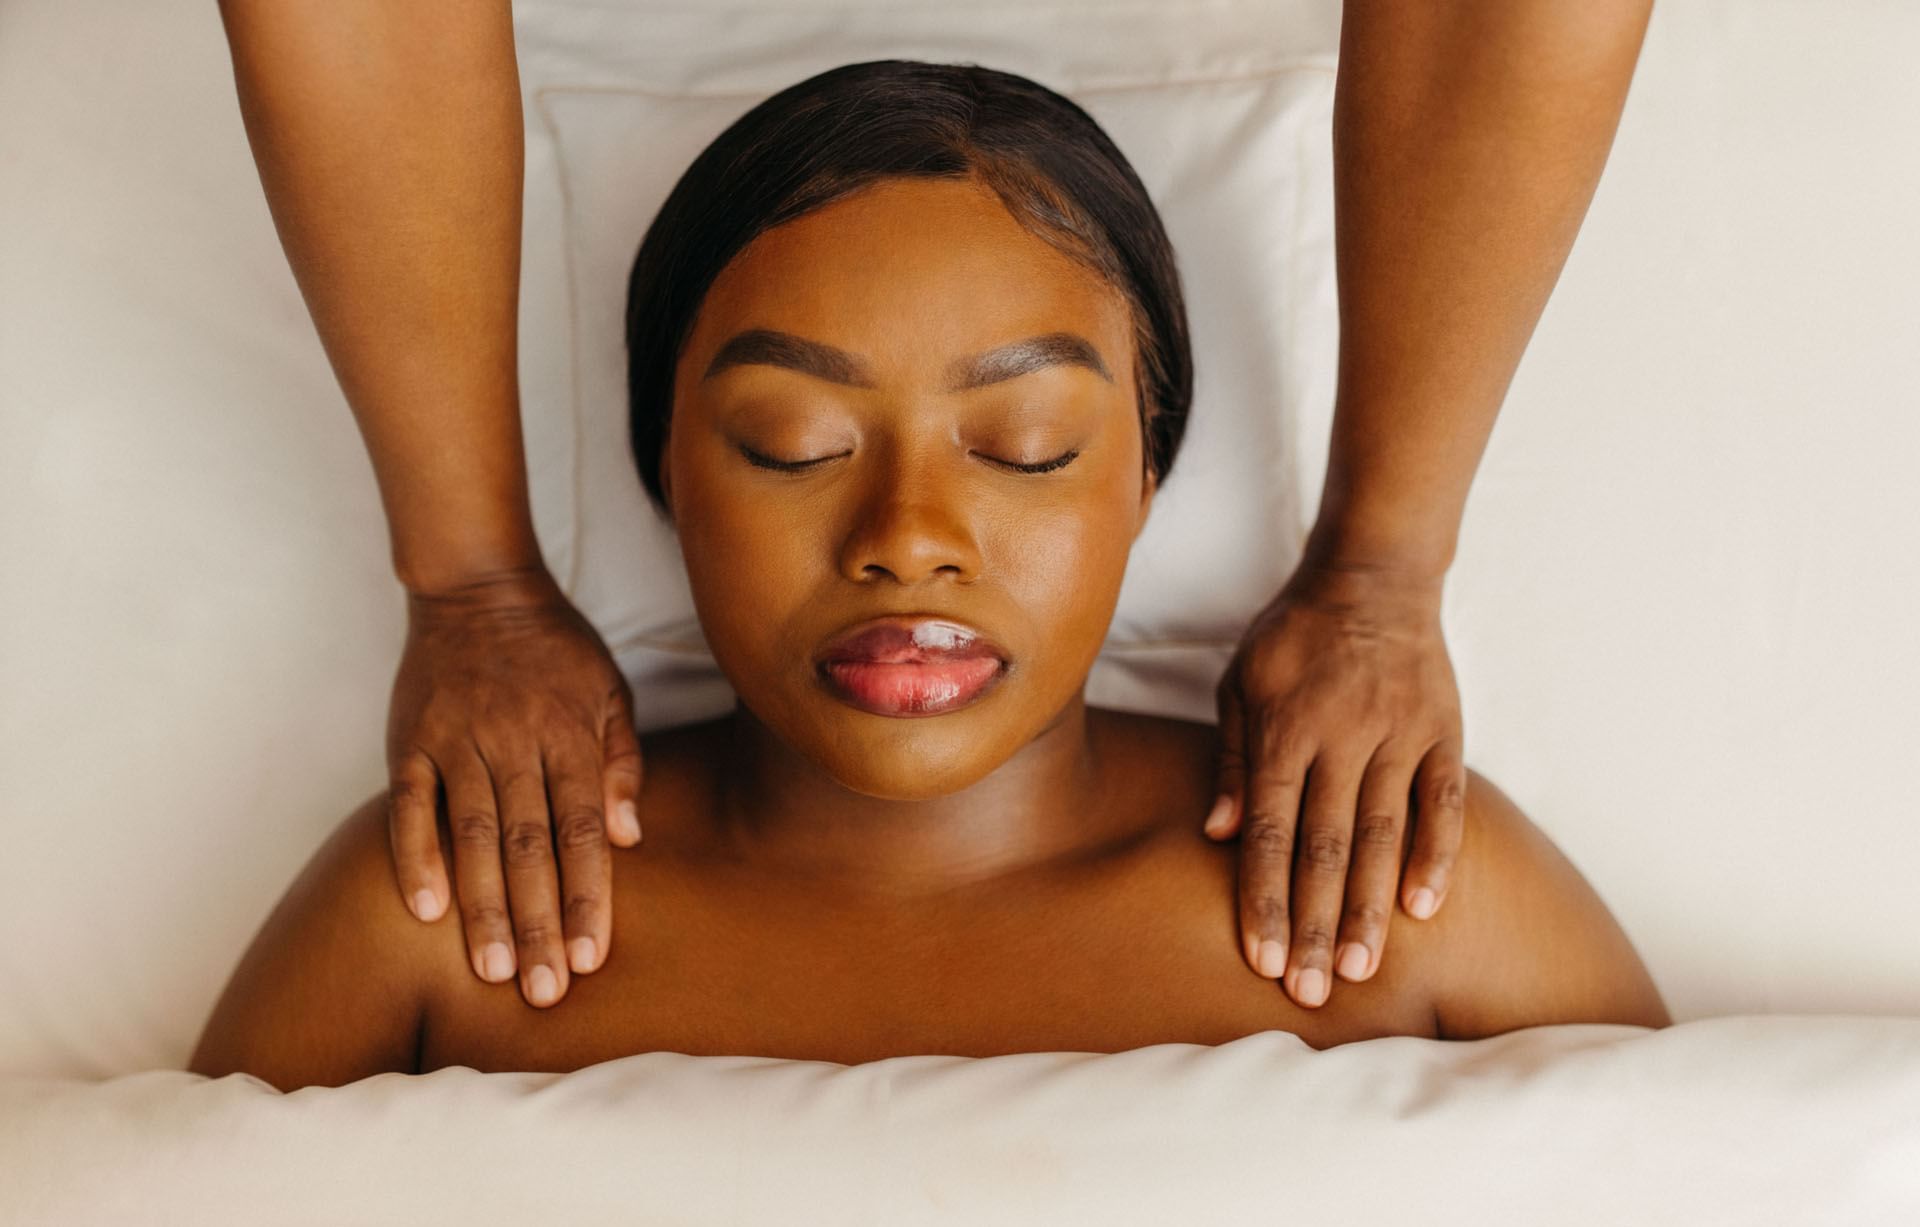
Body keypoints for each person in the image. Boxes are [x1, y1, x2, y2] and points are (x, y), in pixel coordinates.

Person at [190, 62, 1668, 1091]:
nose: (908, 534)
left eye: (1024, 446)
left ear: (1145, 477)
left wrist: (1383, 576)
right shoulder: (448, 904)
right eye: (789, 442)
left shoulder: (1408, 888)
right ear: (664, 478)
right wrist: (472, 589)